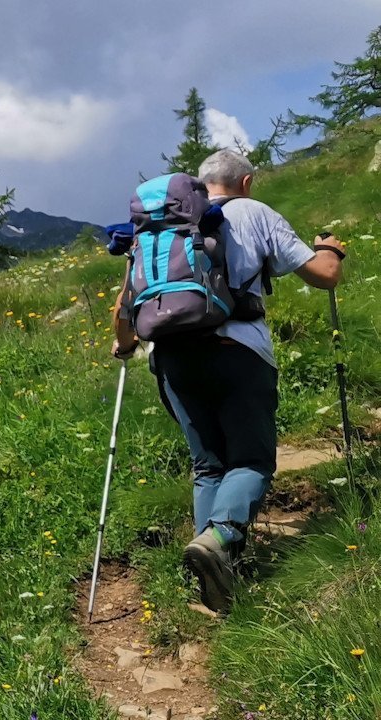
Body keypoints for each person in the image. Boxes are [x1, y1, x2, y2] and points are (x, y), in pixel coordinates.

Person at [112, 149, 345, 614]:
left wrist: (124, 347)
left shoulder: (157, 230)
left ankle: (211, 578)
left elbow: (125, 309)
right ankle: (219, 541)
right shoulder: (253, 212)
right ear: (247, 181)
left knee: (208, 466)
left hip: (173, 358)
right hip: (239, 353)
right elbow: (323, 277)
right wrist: (331, 249)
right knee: (251, 461)